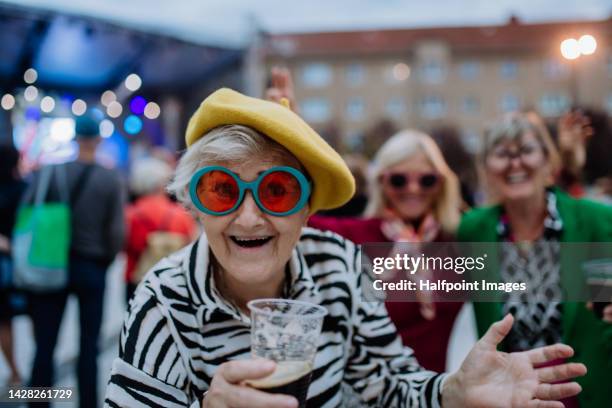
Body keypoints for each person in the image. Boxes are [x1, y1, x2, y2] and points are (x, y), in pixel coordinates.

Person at [105, 88, 586, 408]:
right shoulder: (165, 298)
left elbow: (388, 381)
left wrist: (453, 389)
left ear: (308, 206)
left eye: (277, 191)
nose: (248, 217)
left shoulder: (341, 260)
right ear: (194, 204)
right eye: (221, 191)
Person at [458, 111, 612, 407]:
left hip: (586, 393)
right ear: (487, 167)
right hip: (509, 397)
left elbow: (605, 316)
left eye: (527, 150)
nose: (516, 163)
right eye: (502, 154)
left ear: (548, 159)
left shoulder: (595, 223)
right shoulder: (474, 230)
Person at [310, 130, 463, 372]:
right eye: (399, 180)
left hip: (437, 393)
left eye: (427, 180)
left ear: (442, 183)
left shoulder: (458, 238)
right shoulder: (355, 235)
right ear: (381, 182)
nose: (413, 189)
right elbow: (297, 216)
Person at [27, 113, 125, 408]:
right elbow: (116, 231)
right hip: (92, 267)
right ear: (97, 139)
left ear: (74, 138)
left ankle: (37, 402)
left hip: (50, 264)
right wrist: (103, 262)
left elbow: (32, 213)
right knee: (88, 346)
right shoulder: (110, 178)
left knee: (44, 344)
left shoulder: (51, 172)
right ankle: (87, 403)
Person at [124, 156, 197, 303]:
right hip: (174, 280)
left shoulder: (130, 214)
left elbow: (126, 246)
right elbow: (191, 245)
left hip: (137, 278)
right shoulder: (181, 214)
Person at [0, 144, 27, 387]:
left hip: (6, 263)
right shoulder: (25, 189)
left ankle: (16, 372)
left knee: (4, 321)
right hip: (29, 262)